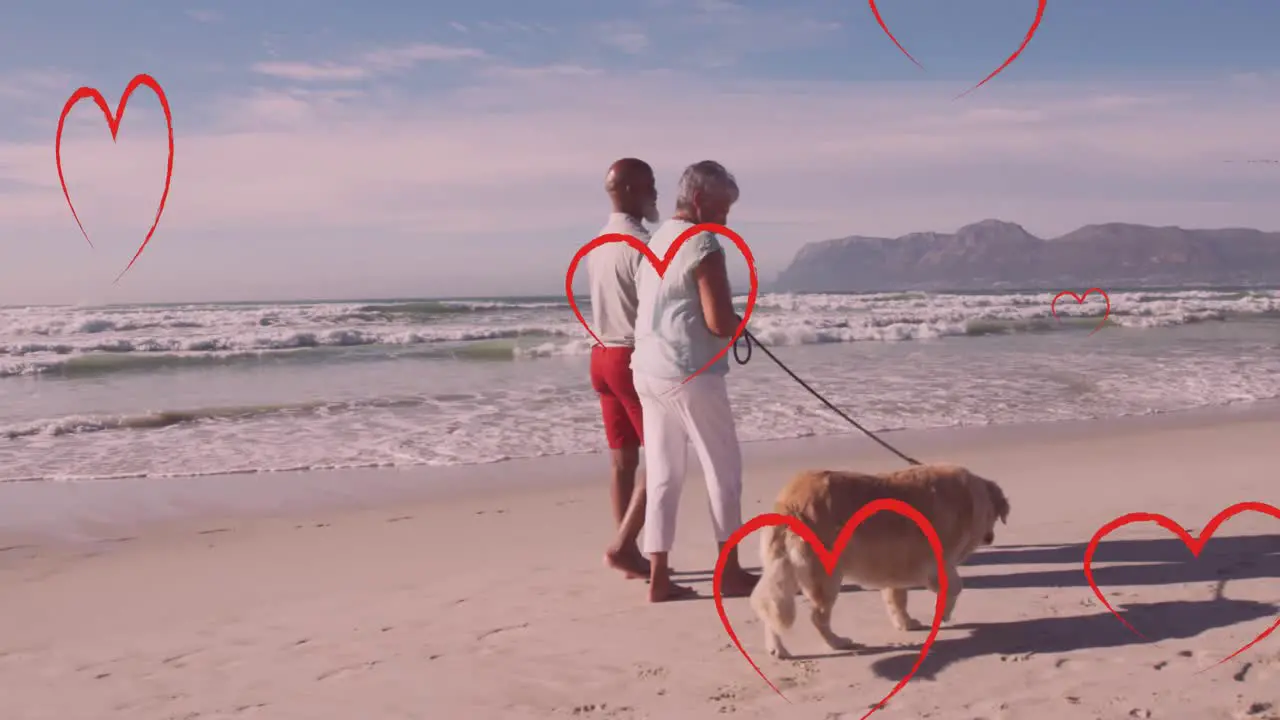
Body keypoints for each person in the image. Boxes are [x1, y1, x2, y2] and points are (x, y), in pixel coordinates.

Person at [630, 160, 758, 602]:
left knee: (663, 474)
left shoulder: (657, 239)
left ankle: (660, 577)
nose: (725, 221)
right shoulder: (703, 242)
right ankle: (731, 572)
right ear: (701, 200)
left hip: (646, 369)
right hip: (690, 372)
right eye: (722, 209)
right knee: (724, 471)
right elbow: (719, 320)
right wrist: (739, 324)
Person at [586, 157, 661, 580]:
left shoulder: (598, 242)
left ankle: (628, 551)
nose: (656, 194)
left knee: (622, 460)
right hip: (630, 356)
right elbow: (659, 313)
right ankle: (623, 546)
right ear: (631, 190)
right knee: (663, 458)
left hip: (601, 355)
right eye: (650, 186)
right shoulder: (642, 245)